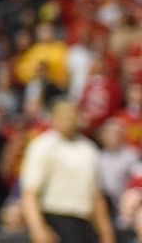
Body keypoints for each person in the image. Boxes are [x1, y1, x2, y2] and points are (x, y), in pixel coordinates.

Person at [19, 98, 116, 243]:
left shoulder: (89, 150)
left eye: (72, 116)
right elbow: (30, 193)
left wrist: (106, 232)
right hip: (53, 218)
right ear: (54, 119)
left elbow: (97, 196)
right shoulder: (42, 146)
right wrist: (38, 228)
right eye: (64, 116)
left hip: (84, 223)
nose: (69, 121)